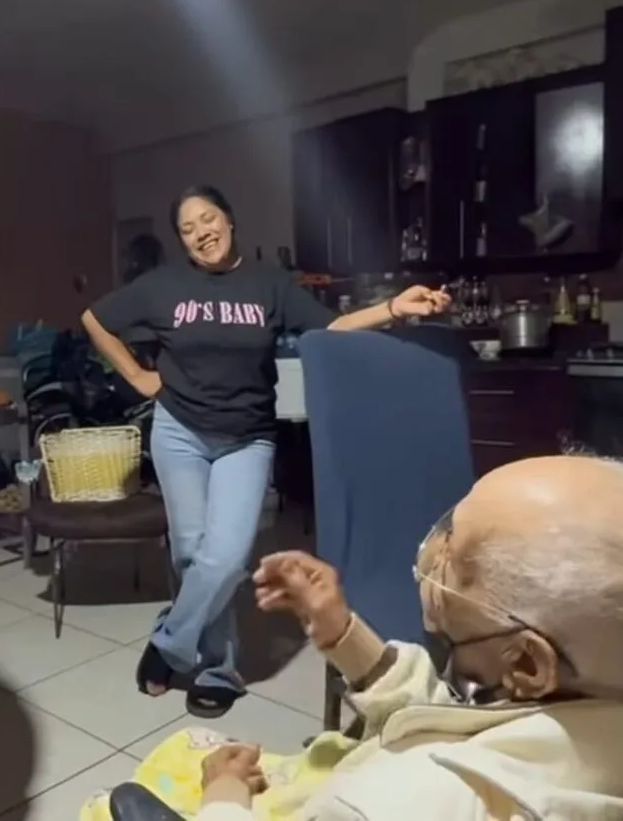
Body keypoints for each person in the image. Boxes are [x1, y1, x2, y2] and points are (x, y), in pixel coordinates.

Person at [83, 455, 623, 821]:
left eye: (458, 555)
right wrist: (343, 633)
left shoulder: (393, 803)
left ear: (525, 663)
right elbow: (463, 722)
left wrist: (225, 793)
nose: (434, 550)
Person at [81, 186, 449, 717]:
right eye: (188, 229)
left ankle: (168, 643)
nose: (201, 233)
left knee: (226, 555)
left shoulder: (268, 285)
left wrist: (393, 307)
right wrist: (138, 375)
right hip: (179, 432)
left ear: (229, 221)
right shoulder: (162, 285)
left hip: (246, 437)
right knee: (189, 553)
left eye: (208, 219)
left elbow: (331, 326)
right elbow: (95, 319)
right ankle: (218, 668)